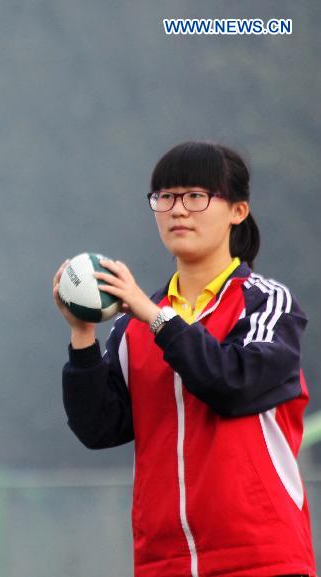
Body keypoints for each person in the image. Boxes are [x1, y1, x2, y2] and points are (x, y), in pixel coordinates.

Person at [53, 141, 314, 577]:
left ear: (238, 210)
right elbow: (98, 428)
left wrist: (156, 317)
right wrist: (82, 334)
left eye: (196, 195)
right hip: (163, 563)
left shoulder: (267, 303)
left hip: (262, 558)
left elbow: (231, 385)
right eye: (165, 197)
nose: (178, 210)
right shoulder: (132, 324)